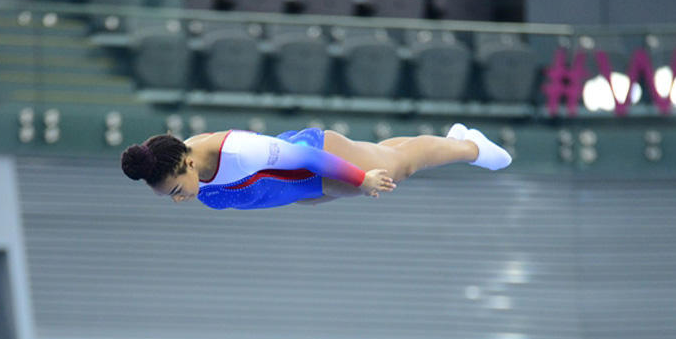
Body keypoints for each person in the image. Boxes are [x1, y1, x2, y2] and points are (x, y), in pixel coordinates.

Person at [119, 124, 511, 210]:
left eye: (176, 190)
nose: (179, 200)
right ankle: (455, 138)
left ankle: (470, 145)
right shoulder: (178, 162)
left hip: (315, 160)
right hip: (301, 186)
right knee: (383, 153)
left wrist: (361, 177)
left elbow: (304, 158)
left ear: (188, 162)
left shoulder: (238, 152)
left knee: (399, 167)